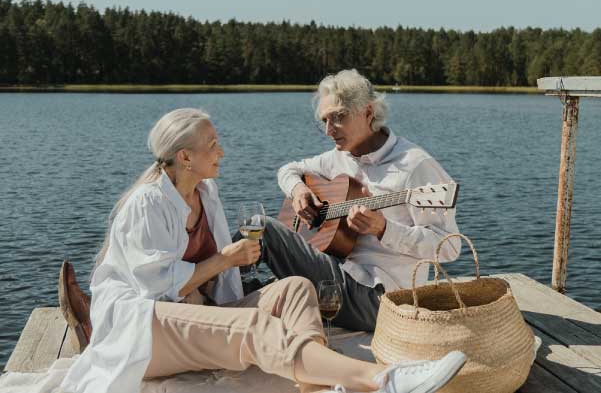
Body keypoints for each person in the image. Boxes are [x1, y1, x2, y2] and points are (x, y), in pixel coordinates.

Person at [59, 108, 466, 393]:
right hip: (146, 326)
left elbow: (219, 282)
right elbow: (156, 290)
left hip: (195, 313)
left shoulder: (206, 192)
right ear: (185, 157)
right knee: (255, 327)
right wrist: (226, 260)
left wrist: (230, 271)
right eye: (213, 144)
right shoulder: (147, 203)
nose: (222, 151)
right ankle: (382, 379)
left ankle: (313, 383)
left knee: (294, 288)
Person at [255, 69, 461, 332]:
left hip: (382, 300)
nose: (329, 130)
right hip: (337, 279)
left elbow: (449, 248)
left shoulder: (415, 165)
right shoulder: (338, 157)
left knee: (260, 228)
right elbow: (288, 170)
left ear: (368, 112)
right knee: (252, 282)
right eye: (325, 121)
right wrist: (298, 191)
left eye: (339, 118)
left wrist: (384, 229)